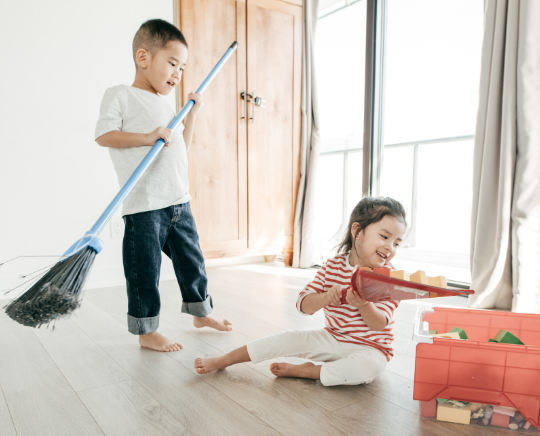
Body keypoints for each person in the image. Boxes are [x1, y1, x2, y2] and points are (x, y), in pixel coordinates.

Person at [95, 19, 232, 352]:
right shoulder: (121, 96)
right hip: (144, 206)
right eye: (172, 63)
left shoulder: (168, 104)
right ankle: (147, 331)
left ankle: (200, 312)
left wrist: (192, 116)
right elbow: (104, 136)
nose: (177, 73)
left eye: (182, 68)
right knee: (145, 270)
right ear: (144, 58)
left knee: (192, 262)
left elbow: (181, 145)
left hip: (178, 201)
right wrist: (147, 136)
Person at [194, 197, 406, 386]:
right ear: (357, 231)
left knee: (366, 368)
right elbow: (303, 305)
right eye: (384, 237)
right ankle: (223, 360)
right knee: (284, 339)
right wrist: (325, 297)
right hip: (332, 337)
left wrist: (364, 304)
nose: (390, 247)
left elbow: (379, 323)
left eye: (397, 242)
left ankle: (309, 371)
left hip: (371, 349)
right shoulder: (332, 266)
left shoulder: (389, 278)